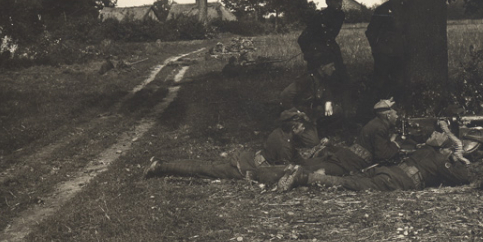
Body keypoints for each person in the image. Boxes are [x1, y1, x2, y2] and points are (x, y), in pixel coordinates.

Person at [278, 126, 472, 192]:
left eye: (436, 134)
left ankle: (306, 179)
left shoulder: (424, 150)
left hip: (387, 172)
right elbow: (464, 178)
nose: (433, 135)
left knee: (351, 180)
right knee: (348, 184)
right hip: (394, 180)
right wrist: (459, 160)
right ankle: (306, 178)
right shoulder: (439, 160)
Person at [144, 108, 308, 185]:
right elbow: (285, 171)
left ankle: (162, 164)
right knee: (203, 169)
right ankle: (160, 166)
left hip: (246, 159)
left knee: (206, 166)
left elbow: (295, 156)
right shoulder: (285, 144)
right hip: (243, 168)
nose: (304, 129)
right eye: (302, 126)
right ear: (294, 128)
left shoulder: (280, 133)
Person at [295, 98, 403, 177]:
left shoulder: (376, 123)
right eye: (396, 114)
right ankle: (284, 171)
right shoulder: (380, 128)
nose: (397, 117)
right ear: (388, 115)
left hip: (347, 156)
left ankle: (289, 166)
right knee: (309, 170)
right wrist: (395, 144)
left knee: (310, 165)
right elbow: (382, 155)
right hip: (351, 164)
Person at [365, 0, 411, 99]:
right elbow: (370, 32)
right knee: (380, 85)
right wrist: (377, 50)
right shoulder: (383, 9)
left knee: (399, 84)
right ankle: (373, 111)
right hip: (384, 55)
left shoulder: (405, 9)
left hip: (399, 53)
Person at [280, 61, 339, 147]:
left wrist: (328, 102)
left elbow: (326, 93)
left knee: (337, 110)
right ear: (322, 67)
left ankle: (319, 130)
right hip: (298, 116)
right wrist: (297, 112)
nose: (334, 69)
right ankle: (290, 131)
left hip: (310, 114)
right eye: (331, 66)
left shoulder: (323, 78)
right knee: (313, 142)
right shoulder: (306, 79)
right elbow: (285, 95)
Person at [297, 0, 347, 82]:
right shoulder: (319, 16)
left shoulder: (340, 15)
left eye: (340, 1)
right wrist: (309, 52)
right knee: (316, 80)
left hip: (331, 49)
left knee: (341, 78)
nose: (339, 4)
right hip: (318, 50)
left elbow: (330, 34)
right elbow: (303, 38)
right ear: (328, 2)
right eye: (336, 1)